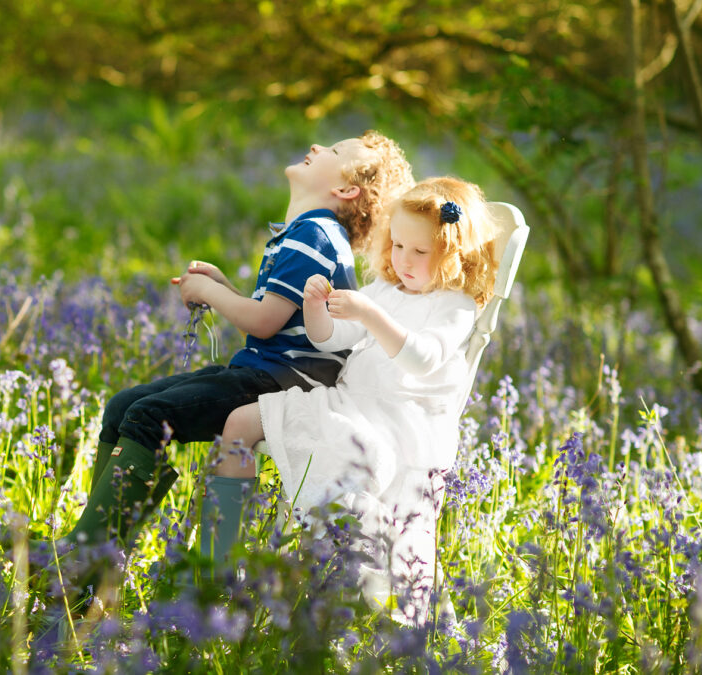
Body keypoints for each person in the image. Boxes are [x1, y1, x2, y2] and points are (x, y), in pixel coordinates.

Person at [43, 132, 415, 565]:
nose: (316, 147)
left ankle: (86, 561)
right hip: (267, 370)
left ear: (346, 190)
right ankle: (89, 549)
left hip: (284, 383)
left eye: (332, 151)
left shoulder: (315, 234)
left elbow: (262, 321)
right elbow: (276, 320)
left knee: (148, 415)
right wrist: (225, 287)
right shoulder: (307, 233)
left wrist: (209, 292)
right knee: (123, 405)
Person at [208, 176, 498, 625]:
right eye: (397, 245)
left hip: (396, 428)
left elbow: (423, 358)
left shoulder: (454, 305)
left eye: (419, 252)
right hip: (345, 406)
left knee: (350, 485)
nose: (403, 260)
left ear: (453, 254)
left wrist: (369, 313)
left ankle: (350, 577)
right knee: (239, 423)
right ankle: (218, 569)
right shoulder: (385, 290)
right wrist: (315, 310)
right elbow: (333, 339)